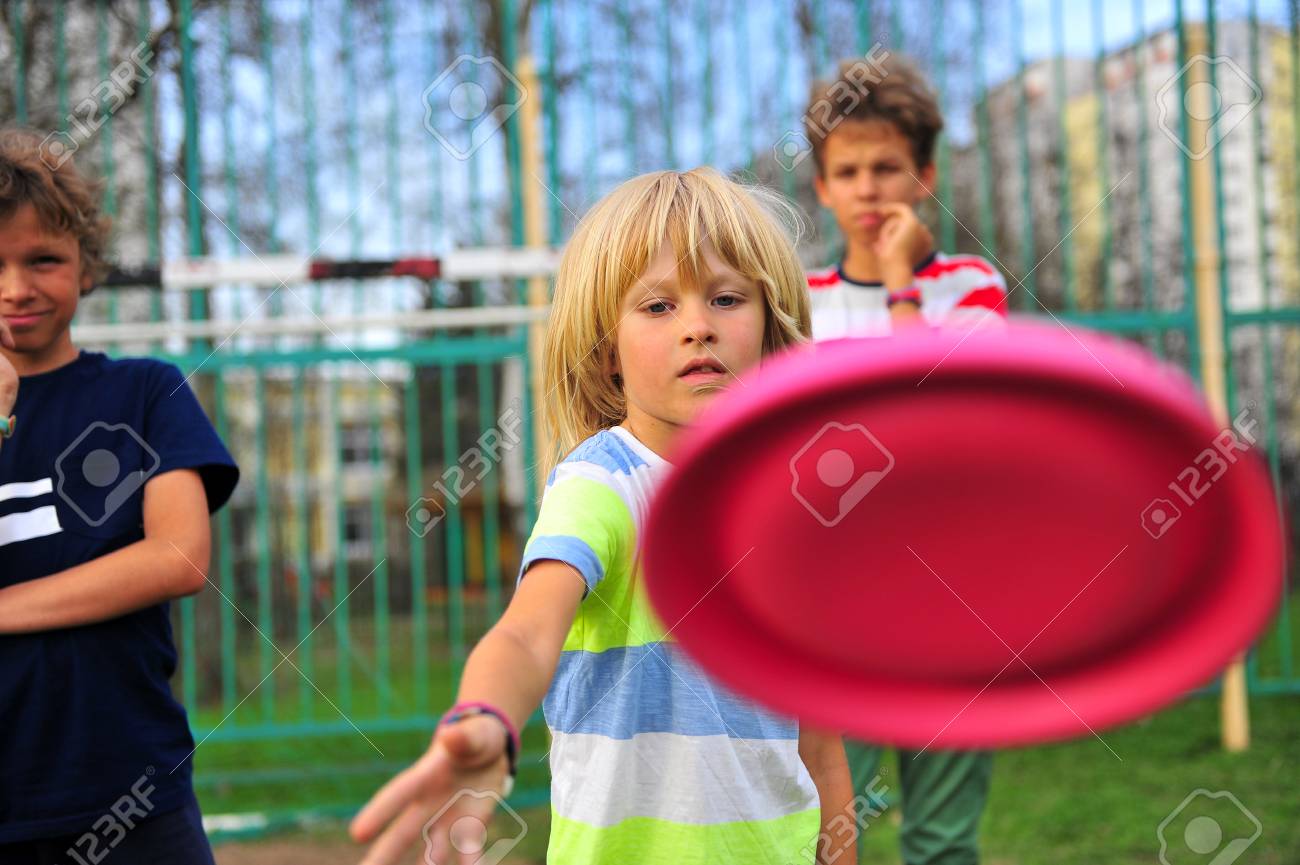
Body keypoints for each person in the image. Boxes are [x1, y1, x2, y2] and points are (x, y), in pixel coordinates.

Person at [351, 167, 857, 865]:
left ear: (770, 328)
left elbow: (820, 748)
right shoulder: (602, 485)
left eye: (726, 297)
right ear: (607, 352)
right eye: (657, 306)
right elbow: (526, 633)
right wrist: (486, 717)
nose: (698, 327)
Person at [0, 127, 239, 863]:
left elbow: (178, 557)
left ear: (86, 266)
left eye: (43, 259)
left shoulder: (145, 391)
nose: (16, 288)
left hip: (134, 794)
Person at [802, 56, 1007, 864]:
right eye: (848, 171)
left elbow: (938, 416)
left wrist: (899, 283)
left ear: (925, 177)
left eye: (887, 167)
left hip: (955, 601)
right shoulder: (797, 304)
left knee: (942, 840)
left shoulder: (971, 284)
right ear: (822, 187)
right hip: (834, 606)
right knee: (825, 831)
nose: (868, 189)